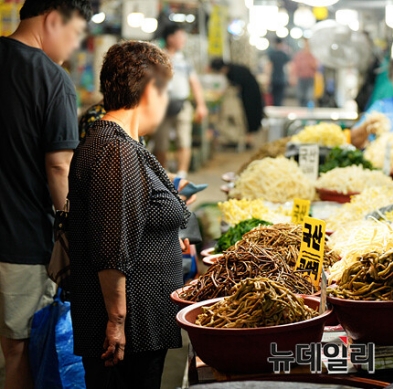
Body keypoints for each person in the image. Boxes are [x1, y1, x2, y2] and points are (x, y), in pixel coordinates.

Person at [67, 41, 190, 388]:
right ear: (151, 90)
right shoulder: (116, 150)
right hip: (129, 332)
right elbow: (111, 247)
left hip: (142, 327)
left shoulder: (118, 144)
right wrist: (117, 321)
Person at [0, 1, 91, 388]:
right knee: (18, 347)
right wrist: (74, 226)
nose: (74, 46)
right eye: (75, 34)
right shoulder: (51, 78)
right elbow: (58, 167)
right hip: (19, 238)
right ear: (53, 19)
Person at [154, 24, 208, 179]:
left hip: (182, 104)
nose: (183, 39)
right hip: (161, 107)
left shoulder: (185, 60)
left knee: (184, 139)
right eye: (180, 36)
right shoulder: (157, 58)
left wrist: (201, 105)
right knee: (161, 142)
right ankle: (162, 175)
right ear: (170, 38)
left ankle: (181, 175)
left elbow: (194, 83)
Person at [210, 58, 265, 144]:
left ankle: (249, 138)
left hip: (250, 95)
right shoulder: (231, 70)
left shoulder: (234, 71)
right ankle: (246, 138)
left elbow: (236, 86)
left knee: (250, 114)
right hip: (246, 94)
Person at [291, 38, 318, 106]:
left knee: (309, 96)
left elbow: (316, 65)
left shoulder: (313, 55)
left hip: (310, 78)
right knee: (300, 96)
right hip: (301, 78)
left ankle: (309, 110)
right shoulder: (299, 55)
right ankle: (301, 109)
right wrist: (293, 77)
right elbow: (295, 66)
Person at [267, 37, 290, 106]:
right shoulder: (284, 54)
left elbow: (269, 67)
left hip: (274, 78)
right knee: (279, 97)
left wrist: (268, 77)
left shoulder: (272, 54)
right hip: (280, 78)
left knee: (274, 96)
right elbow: (288, 67)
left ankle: (276, 107)